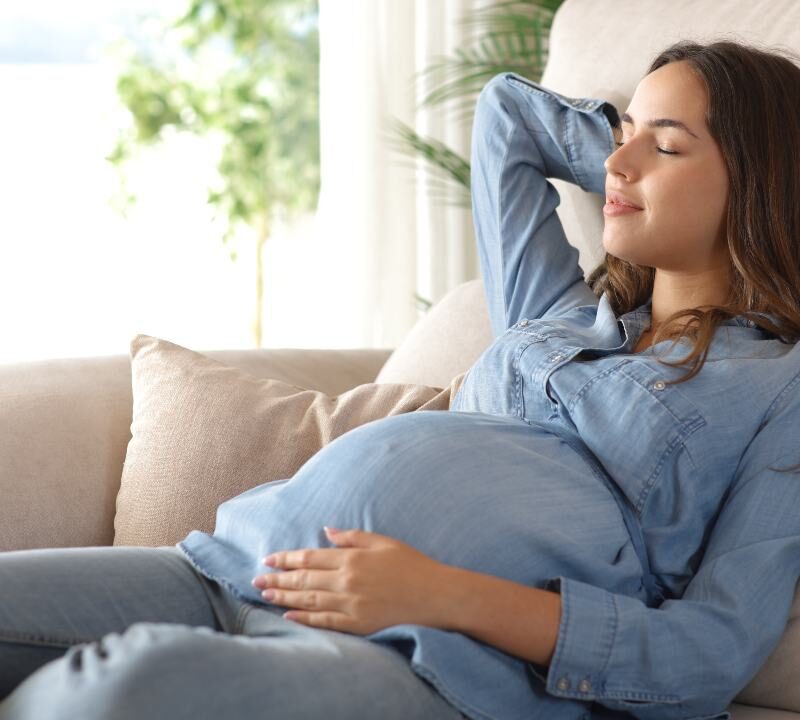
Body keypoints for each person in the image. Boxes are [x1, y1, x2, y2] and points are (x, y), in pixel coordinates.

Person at [2, 38, 800, 720]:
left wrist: (437, 593)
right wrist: (633, 165)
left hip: (421, 654)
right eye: (617, 138)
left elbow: (710, 652)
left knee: (119, 695)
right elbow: (505, 118)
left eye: (665, 145)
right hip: (237, 563)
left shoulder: (776, 386)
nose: (616, 165)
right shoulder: (557, 312)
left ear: (760, 181)